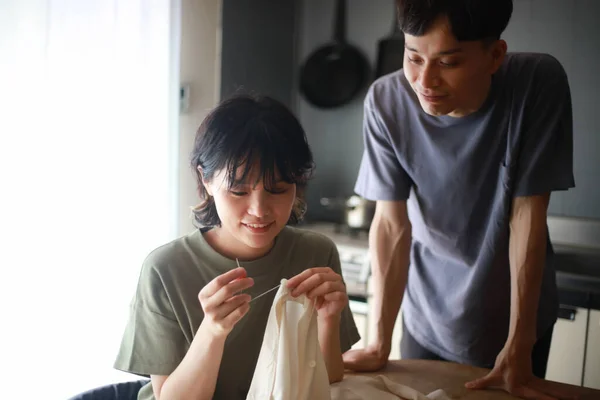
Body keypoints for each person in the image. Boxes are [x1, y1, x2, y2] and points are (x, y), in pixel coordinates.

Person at [342, 0, 575, 399]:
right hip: (426, 320)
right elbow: (392, 225)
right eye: (413, 57)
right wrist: (379, 339)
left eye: (448, 63)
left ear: (494, 56)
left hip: (514, 326)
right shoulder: (386, 101)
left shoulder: (537, 82)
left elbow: (527, 216)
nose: (424, 81)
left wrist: (519, 342)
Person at [114, 94, 360, 400]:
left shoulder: (316, 255)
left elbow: (329, 377)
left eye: (277, 190)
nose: (259, 210)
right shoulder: (166, 269)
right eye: (238, 191)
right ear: (206, 180)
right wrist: (213, 331)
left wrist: (329, 318)